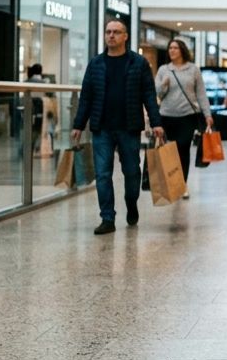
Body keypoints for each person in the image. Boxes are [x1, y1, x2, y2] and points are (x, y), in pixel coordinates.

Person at [70, 19, 164, 235]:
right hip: (101, 127)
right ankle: (107, 218)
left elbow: (149, 96)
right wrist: (78, 124)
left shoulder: (138, 63)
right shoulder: (96, 64)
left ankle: (131, 202)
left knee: (131, 172)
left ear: (125, 36)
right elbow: (86, 97)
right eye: (108, 32)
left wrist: (156, 122)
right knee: (103, 174)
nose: (111, 35)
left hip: (129, 127)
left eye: (116, 32)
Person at [155, 37, 212, 192]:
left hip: (188, 116)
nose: (172, 50)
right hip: (167, 116)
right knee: (169, 151)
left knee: (183, 149)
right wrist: (163, 85)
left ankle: (182, 184)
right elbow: (158, 93)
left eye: (175, 48)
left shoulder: (193, 70)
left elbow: (201, 94)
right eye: (170, 48)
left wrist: (207, 114)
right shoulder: (163, 70)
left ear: (182, 51)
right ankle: (172, 182)